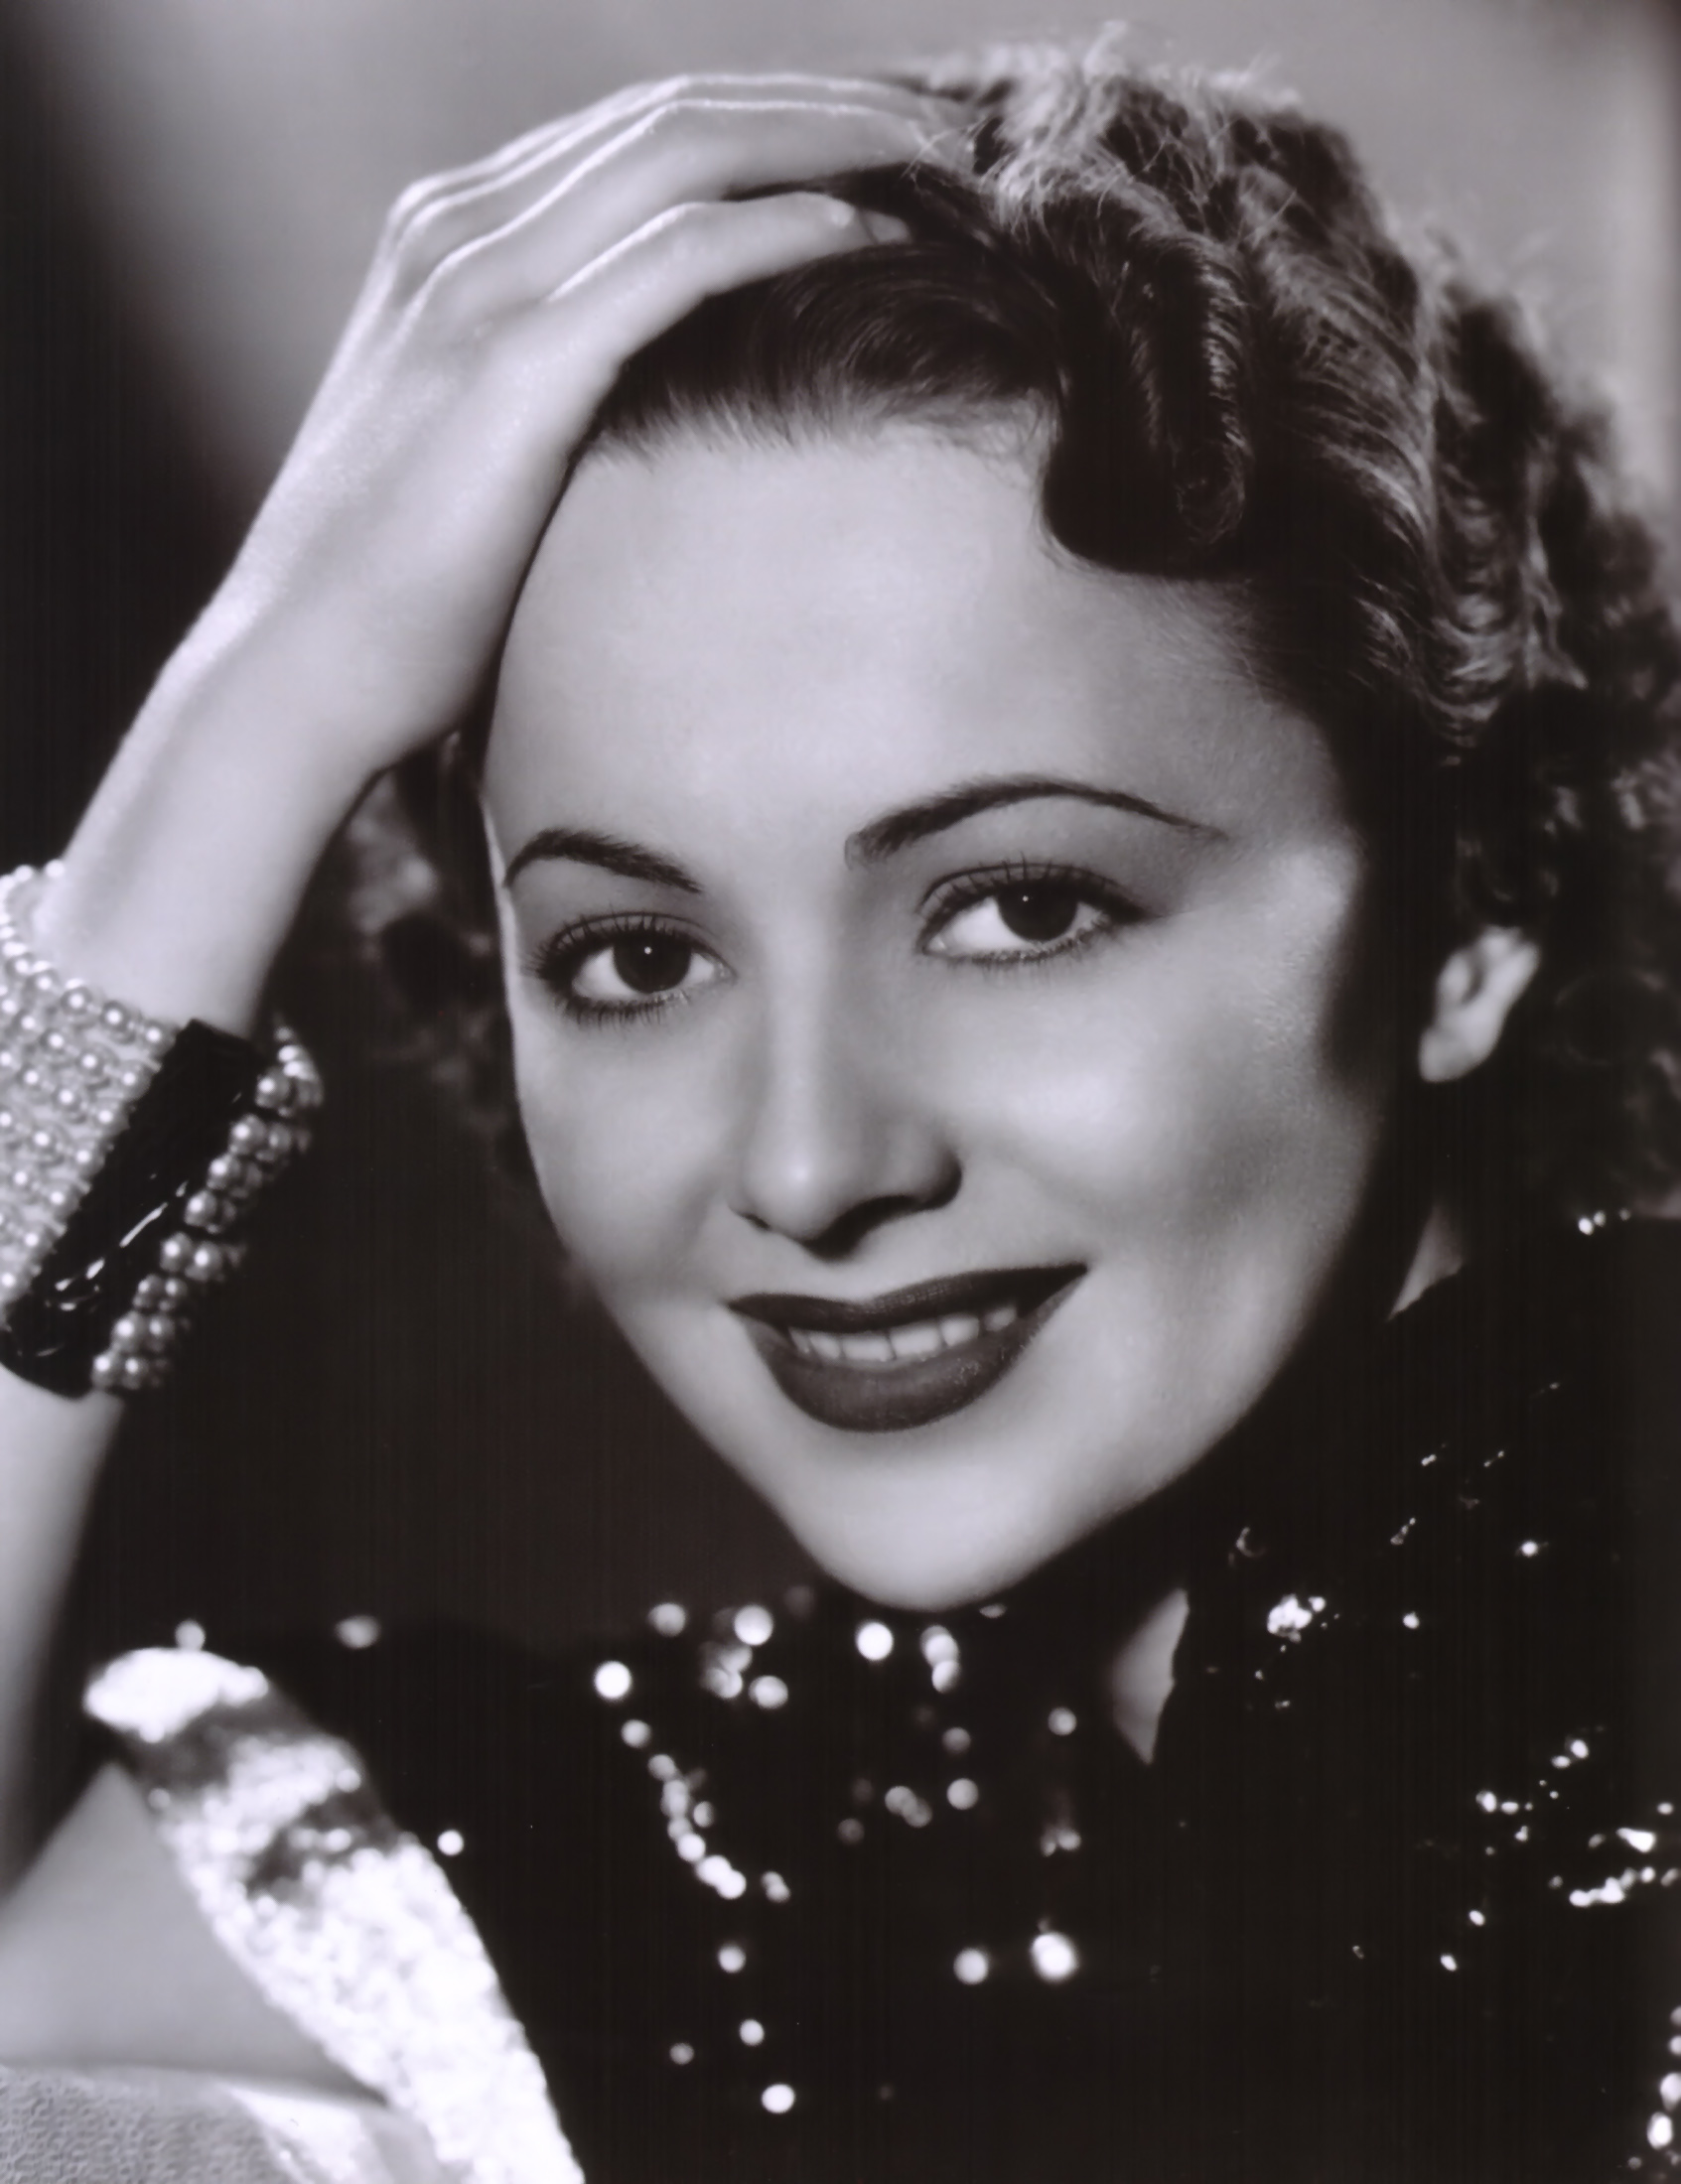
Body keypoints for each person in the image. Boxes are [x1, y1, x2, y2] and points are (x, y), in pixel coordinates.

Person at [0, 32, 1677, 2183]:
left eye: (1021, 909)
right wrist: (242, 728)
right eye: (636, 957)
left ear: (1474, 908)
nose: (808, 1164)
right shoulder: (633, 1888)